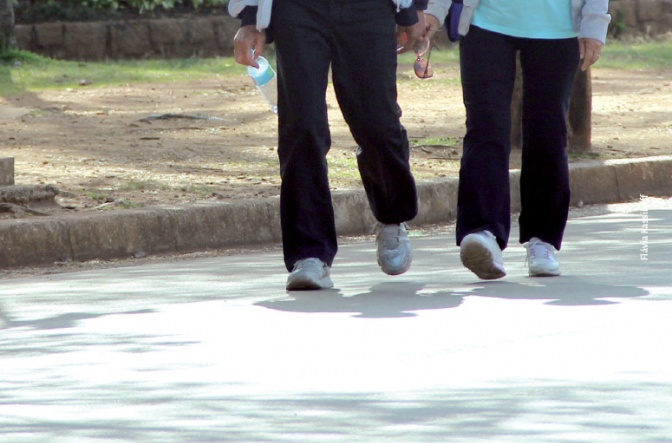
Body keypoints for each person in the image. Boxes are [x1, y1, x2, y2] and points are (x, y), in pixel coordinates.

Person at [229, 0, 429, 290]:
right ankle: (309, 253)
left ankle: (393, 217)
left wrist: (413, 9)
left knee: (377, 122)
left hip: (370, 10)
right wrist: (249, 18)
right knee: (302, 125)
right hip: (297, 9)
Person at [423, 0, 610, 279]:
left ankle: (543, 239)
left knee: (547, 132)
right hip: (485, 23)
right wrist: (434, 11)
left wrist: (594, 24)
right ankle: (483, 232)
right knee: (485, 127)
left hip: (558, 30)